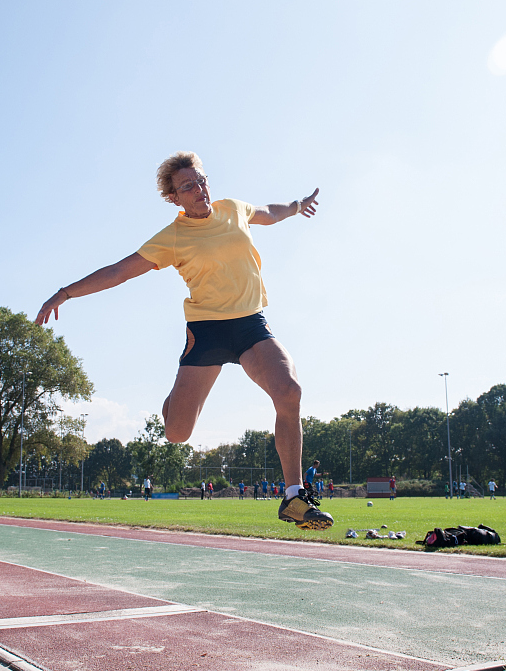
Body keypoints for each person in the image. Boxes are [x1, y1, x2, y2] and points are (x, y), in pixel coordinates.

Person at [37, 152, 332, 530]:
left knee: (289, 390)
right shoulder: (173, 237)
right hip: (207, 331)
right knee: (177, 433)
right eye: (188, 187)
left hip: (250, 325)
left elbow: (268, 212)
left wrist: (296, 206)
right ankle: (171, 402)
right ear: (174, 198)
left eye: (202, 180)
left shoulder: (233, 209)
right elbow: (120, 271)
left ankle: (294, 496)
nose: (199, 190)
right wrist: (65, 293)